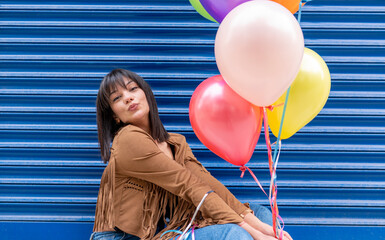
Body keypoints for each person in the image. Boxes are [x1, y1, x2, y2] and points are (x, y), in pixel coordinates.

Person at [90, 68, 293, 240]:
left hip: (164, 229)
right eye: (117, 98)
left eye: (133, 89)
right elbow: (187, 184)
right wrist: (255, 232)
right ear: (115, 117)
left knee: (258, 212)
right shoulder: (128, 139)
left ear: (146, 94)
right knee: (234, 233)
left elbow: (205, 182)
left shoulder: (175, 142)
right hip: (122, 237)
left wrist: (265, 228)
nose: (128, 97)